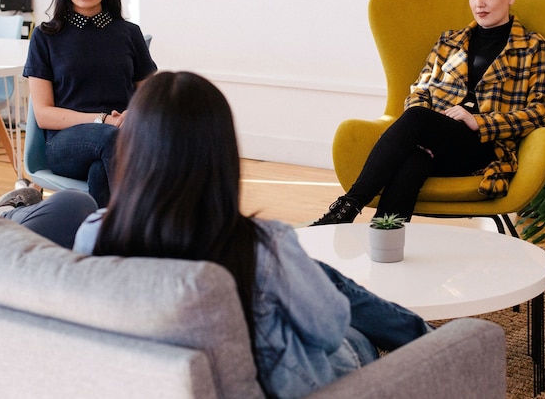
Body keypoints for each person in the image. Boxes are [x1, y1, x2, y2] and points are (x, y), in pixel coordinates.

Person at [59, 71, 429, 398]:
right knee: (349, 326)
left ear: (132, 151)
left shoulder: (94, 234)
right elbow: (330, 330)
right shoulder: (261, 247)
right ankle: (432, 342)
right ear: (221, 155)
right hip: (298, 385)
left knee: (314, 274)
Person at [311, 0, 545, 225]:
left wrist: (480, 121)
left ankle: (347, 207)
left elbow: (542, 111)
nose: (480, 3)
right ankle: (384, 240)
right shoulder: (449, 41)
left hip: (484, 148)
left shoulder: (532, 46)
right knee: (414, 160)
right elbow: (420, 90)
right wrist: (435, 122)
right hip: (435, 140)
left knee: (416, 120)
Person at [23, 0, 157, 207]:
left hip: (118, 140)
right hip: (65, 145)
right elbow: (44, 114)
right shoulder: (45, 36)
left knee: (101, 171)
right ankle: (151, 228)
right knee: (112, 139)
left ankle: (102, 242)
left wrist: (135, 113)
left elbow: (153, 97)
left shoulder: (129, 34)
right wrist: (102, 120)